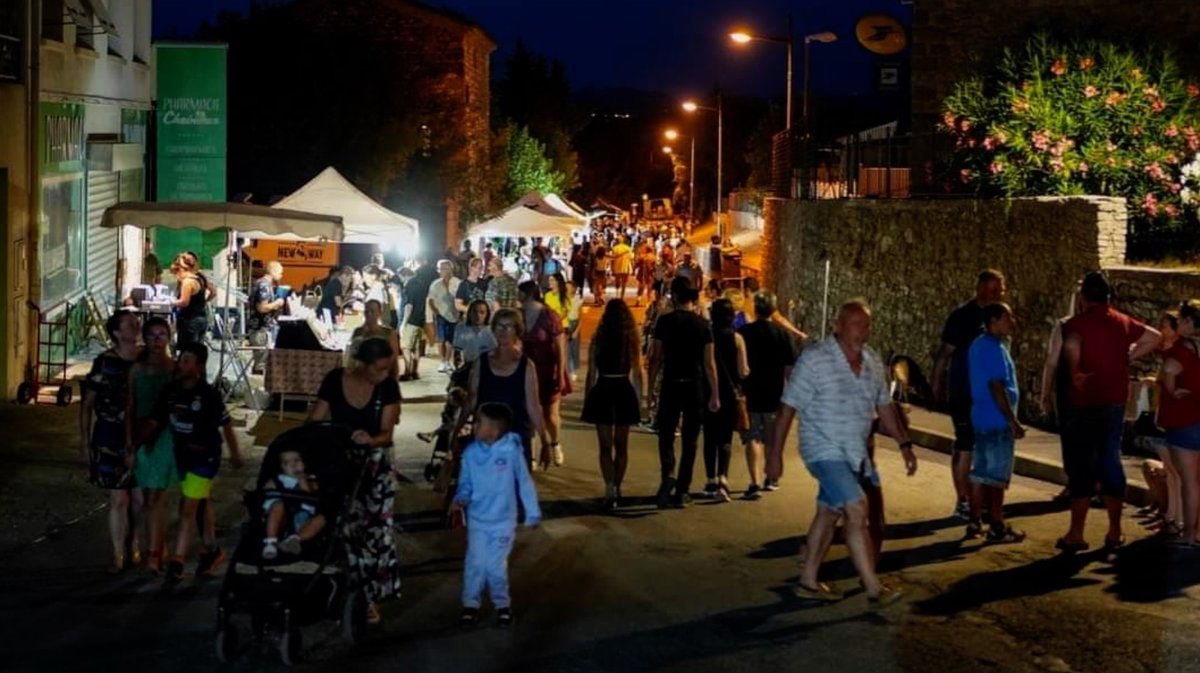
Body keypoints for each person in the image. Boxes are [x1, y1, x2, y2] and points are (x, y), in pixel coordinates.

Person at [771, 300, 916, 605]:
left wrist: (904, 444)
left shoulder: (873, 361)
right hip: (822, 448)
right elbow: (788, 407)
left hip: (855, 452)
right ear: (838, 325)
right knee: (856, 507)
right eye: (855, 324)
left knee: (829, 510)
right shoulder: (816, 359)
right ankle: (874, 588)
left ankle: (807, 581)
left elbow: (884, 406)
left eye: (866, 325)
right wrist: (775, 454)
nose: (861, 331)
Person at [1057, 272, 1161, 553]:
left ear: (1083, 298)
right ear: (1108, 296)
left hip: (1083, 401)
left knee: (1082, 465)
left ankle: (1076, 533)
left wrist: (1076, 371)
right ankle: (1115, 531)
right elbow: (1155, 337)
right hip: (1114, 400)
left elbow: (1072, 345)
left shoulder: (1076, 324)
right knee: (1110, 459)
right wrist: (1127, 356)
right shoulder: (1121, 321)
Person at [308, 338, 403, 623]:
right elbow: (316, 418)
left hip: (374, 466)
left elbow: (387, 433)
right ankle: (346, 592)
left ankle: (371, 597)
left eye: (388, 369)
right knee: (343, 530)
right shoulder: (335, 380)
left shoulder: (387, 387)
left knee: (376, 533)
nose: (384, 374)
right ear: (363, 364)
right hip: (341, 464)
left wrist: (370, 439)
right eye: (380, 369)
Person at [145, 342, 244, 582]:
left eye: (187, 360)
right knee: (201, 502)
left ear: (199, 366)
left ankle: (177, 560)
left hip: (205, 457)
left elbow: (226, 424)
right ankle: (211, 550)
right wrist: (137, 443)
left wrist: (234, 452)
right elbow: (156, 420)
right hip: (183, 456)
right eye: (181, 359)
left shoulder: (208, 395)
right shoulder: (171, 391)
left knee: (188, 506)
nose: (181, 364)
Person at [452, 402, 541, 627]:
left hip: (503, 521)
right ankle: (470, 605)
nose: (474, 426)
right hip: (478, 520)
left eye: (479, 422)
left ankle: (502, 605)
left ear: (494, 429)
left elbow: (524, 481)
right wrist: (461, 497)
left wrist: (532, 511)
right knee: (475, 562)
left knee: (494, 564)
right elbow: (465, 482)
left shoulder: (511, 451)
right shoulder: (471, 453)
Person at [932, 269, 1007, 520]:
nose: (1000, 294)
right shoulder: (962, 317)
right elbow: (945, 354)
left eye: (1001, 290)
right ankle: (963, 499)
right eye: (995, 289)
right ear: (981, 288)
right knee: (965, 445)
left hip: (989, 399)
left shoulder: (998, 319)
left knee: (984, 448)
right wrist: (937, 384)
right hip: (964, 391)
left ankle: (980, 501)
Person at [646, 276, 720, 508]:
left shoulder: (665, 322)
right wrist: (715, 392)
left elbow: (655, 357)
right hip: (695, 384)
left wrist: (650, 389)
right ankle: (683, 489)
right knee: (690, 439)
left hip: (671, 382)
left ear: (675, 296)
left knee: (666, 434)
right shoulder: (703, 325)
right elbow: (709, 363)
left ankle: (668, 473)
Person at [80, 312, 141, 573]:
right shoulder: (105, 362)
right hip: (109, 434)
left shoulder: (147, 358)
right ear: (117, 332)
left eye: (136, 323)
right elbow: (87, 404)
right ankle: (118, 552)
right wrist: (84, 441)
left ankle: (135, 541)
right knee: (118, 498)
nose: (136, 326)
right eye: (129, 324)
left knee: (140, 497)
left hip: (142, 434)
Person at [965, 302, 1026, 543]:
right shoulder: (993, 348)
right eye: (1007, 318)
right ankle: (997, 524)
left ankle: (974, 520)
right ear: (994, 321)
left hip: (980, 417)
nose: (1012, 322)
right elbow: (996, 385)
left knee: (980, 472)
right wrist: (1012, 421)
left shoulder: (978, 345)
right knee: (997, 477)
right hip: (997, 420)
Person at [582, 300, 645, 510]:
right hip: (623, 389)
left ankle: (609, 486)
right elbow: (638, 372)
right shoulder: (630, 339)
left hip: (603, 388)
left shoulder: (598, 338)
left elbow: (591, 372)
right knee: (622, 446)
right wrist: (641, 399)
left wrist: (587, 397)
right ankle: (617, 487)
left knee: (605, 447)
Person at [128, 317, 179, 575]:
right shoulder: (137, 369)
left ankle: (155, 552)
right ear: (144, 339)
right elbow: (130, 405)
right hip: (141, 432)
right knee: (144, 498)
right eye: (152, 335)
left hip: (165, 436)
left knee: (155, 497)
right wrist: (129, 438)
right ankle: (151, 546)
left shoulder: (174, 369)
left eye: (162, 335)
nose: (157, 341)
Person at [462, 309, 544, 466]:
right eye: (499, 326)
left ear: (517, 331)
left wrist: (545, 440)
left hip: (515, 437)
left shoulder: (526, 365)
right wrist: (457, 429)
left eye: (509, 327)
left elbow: (533, 406)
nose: (503, 331)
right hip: (485, 437)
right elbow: (470, 400)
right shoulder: (482, 362)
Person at [738, 291, 797, 496]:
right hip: (774, 393)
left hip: (750, 391)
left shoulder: (744, 332)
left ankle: (754, 483)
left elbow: (739, 364)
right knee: (772, 439)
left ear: (755, 309)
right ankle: (771, 479)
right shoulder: (783, 336)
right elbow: (789, 370)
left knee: (752, 437)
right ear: (773, 310)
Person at [1159, 300, 1200, 547]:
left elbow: (1170, 372)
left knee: (1189, 482)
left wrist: (1172, 390)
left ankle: (1187, 534)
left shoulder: (1181, 350)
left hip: (1184, 418)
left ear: (1187, 322)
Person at [702, 298, 750, 503]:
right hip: (729, 394)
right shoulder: (737, 339)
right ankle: (724, 477)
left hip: (708, 390)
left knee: (709, 436)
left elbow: (703, 364)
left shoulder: (707, 335)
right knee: (725, 438)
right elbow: (743, 370)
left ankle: (710, 478)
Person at [1038, 289, 1084, 502]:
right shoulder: (1067, 327)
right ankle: (1083, 484)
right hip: (1083, 392)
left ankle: (1077, 484)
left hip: (1073, 392)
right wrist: (1046, 393)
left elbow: (1052, 361)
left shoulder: (1065, 327)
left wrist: (1045, 393)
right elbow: (1052, 361)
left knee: (1074, 439)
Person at [519, 281, 568, 469]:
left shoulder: (549, 316)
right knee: (528, 412)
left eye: (520, 293)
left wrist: (561, 373)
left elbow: (560, 347)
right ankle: (530, 453)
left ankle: (555, 443)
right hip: (526, 371)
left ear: (527, 294)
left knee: (550, 415)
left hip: (548, 369)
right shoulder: (519, 315)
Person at [262, 449, 328, 559]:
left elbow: (309, 497)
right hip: (281, 519)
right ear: (281, 467)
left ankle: (294, 540)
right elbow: (264, 494)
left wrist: (302, 480)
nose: (293, 465)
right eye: (287, 463)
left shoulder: (311, 480)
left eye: (297, 460)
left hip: (304, 519)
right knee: (278, 505)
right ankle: (271, 542)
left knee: (322, 518)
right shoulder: (276, 480)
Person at [400, 258, 438, 380]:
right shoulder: (423, 284)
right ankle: (415, 371)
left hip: (411, 320)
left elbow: (409, 305)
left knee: (405, 346)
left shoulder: (410, 285)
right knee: (416, 347)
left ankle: (407, 371)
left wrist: (403, 323)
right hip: (421, 320)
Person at [247, 261, 286, 370]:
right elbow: (262, 308)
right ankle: (258, 385)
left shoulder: (260, 283)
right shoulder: (264, 285)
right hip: (260, 329)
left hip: (259, 328)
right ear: (273, 271)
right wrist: (277, 303)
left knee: (261, 362)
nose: (281, 275)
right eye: (280, 272)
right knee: (262, 364)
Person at [352, 299, 403, 379]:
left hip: (383, 377)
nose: (369, 314)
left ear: (379, 313)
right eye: (366, 311)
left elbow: (393, 359)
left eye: (372, 311)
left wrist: (394, 380)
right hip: (363, 379)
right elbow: (353, 356)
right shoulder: (358, 332)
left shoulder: (388, 333)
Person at [428, 260, 463, 374]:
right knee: (441, 339)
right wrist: (435, 312)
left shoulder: (457, 282)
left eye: (446, 268)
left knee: (451, 340)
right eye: (441, 269)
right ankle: (442, 361)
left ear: (451, 269)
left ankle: (448, 361)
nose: (443, 271)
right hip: (441, 314)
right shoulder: (435, 284)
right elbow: (431, 300)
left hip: (454, 314)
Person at [171, 252, 211, 348]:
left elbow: (184, 302)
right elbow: (212, 291)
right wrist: (202, 302)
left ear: (180, 269)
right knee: (197, 351)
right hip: (202, 318)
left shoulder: (187, 282)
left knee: (188, 350)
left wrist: (171, 302)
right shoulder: (199, 279)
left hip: (190, 321)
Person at [453, 299, 498, 365]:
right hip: (468, 366)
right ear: (469, 312)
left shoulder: (490, 331)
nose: (478, 315)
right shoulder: (462, 328)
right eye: (474, 312)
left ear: (487, 314)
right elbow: (457, 350)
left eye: (482, 312)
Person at [611, 234, 634, 301]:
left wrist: (612, 268)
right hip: (626, 267)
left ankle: (617, 295)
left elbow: (612, 260)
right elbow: (631, 259)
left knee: (617, 282)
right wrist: (633, 267)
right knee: (624, 283)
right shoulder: (628, 248)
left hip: (617, 267)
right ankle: (622, 296)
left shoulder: (615, 248)